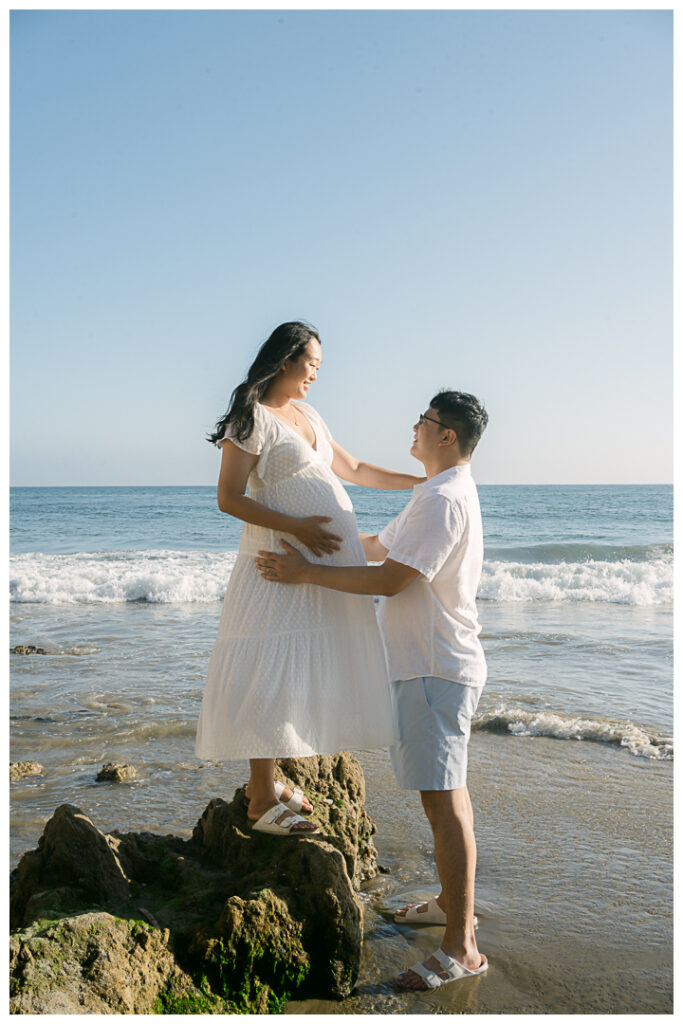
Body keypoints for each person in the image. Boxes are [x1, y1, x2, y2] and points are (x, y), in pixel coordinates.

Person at [255, 389, 489, 988]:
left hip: (434, 668)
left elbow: (391, 577)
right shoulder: (431, 494)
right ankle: (447, 904)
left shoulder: (443, 500)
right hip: (425, 666)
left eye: (425, 420)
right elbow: (379, 548)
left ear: (446, 436)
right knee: (443, 799)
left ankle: (461, 947)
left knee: (445, 805)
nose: (413, 426)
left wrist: (308, 573)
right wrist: (303, 542)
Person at [195, 321, 424, 837]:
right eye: (311, 364)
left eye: (319, 366)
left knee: (295, 672)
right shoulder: (251, 419)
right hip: (275, 567)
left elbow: (358, 467)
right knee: (269, 672)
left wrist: (425, 483)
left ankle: (271, 783)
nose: (316, 374)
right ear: (285, 358)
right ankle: (259, 799)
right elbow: (229, 497)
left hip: (312, 572)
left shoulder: (309, 414)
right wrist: (297, 526)